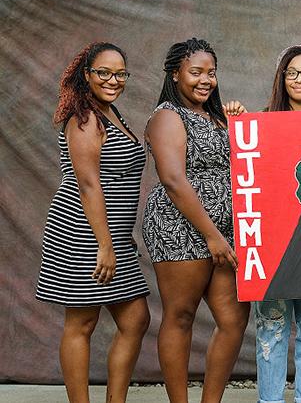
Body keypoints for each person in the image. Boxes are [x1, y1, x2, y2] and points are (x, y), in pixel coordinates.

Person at [36, 42, 150, 403]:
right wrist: (105, 244)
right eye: (103, 72)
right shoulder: (84, 118)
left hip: (112, 235)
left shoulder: (110, 112)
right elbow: (88, 185)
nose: (113, 80)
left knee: (135, 319)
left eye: (120, 73)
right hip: (82, 232)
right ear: (86, 75)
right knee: (82, 322)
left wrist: (116, 240)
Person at [142, 38, 250, 403]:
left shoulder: (215, 116)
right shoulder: (167, 116)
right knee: (181, 315)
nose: (206, 80)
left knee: (234, 319)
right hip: (180, 227)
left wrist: (238, 125)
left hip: (225, 230)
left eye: (211, 72)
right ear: (175, 74)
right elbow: (173, 179)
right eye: (196, 72)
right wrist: (212, 236)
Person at [251, 42, 301, 403]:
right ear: (282, 77)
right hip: (272, 241)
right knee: (270, 330)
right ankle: (269, 399)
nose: (300, 79)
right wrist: (236, 121)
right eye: (293, 72)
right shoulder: (259, 123)